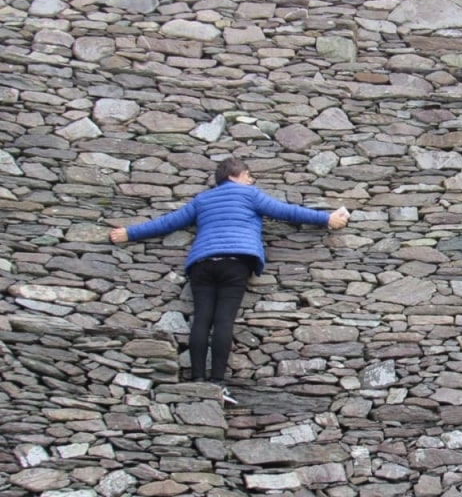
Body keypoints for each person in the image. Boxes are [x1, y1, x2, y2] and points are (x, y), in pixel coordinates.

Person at [109, 157, 349, 404]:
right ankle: (217, 383)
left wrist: (129, 233)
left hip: (203, 263)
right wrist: (326, 219)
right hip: (236, 261)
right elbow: (286, 212)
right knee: (223, 319)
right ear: (235, 175)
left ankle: (198, 380)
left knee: (202, 318)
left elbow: (168, 222)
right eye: (248, 175)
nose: (251, 179)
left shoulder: (202, 199)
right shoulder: (250, 195)